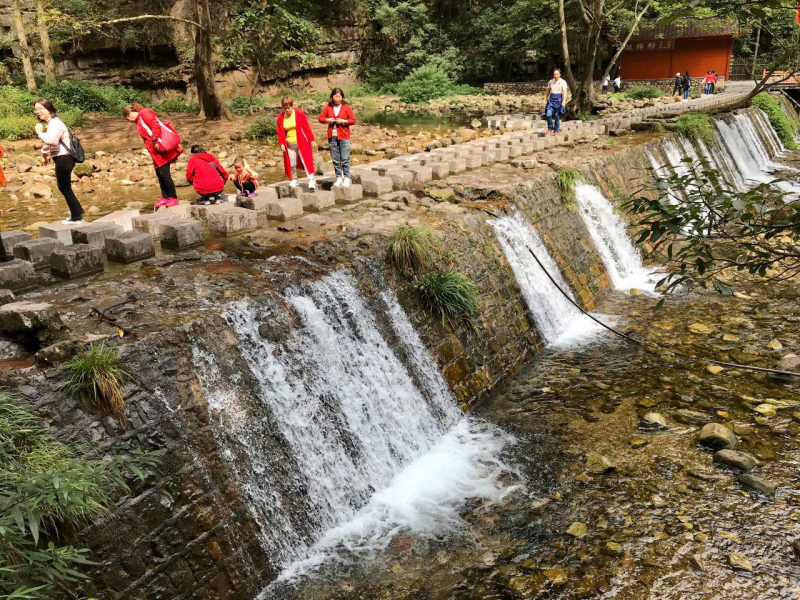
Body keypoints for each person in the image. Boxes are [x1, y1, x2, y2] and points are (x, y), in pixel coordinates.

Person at [123, 102, 183, 208]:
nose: (128, 119)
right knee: (159, 174)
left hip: (159, 147)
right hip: (155, 151)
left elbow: (155, 125)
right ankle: (165, 197)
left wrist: (155, 140)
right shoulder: (138, 120)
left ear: (133, 111)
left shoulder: (144, 113)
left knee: (165, 174)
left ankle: (173, 198)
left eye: (128, 116)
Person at [34, 99, 84, 225]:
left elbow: (52, 140)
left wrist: (39, 132)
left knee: (64, 188)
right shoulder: (52, 123)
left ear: (49, 109)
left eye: (41, 109)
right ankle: (77, 214)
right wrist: (44, 154)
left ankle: (77, 217)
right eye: (36, 109)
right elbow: (49, 143)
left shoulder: (55, 123)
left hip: (64, 158)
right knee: (65, 187)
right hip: (63, 158)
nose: (38, 112)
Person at [318, 88, 356, 188]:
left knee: (345, 158)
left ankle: (346, 178)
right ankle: (339, 178)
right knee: (335, 159)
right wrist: (327, 120)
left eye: (339, 96)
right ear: (332, 97)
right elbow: (320, 118)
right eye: (335, 96)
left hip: (344, 136)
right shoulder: (328, 107)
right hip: (332, 136)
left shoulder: (346, 107)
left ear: (342, 97)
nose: (337, 98)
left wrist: (344, 121)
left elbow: (353, 120)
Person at [276, 97, 316, 190]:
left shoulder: (299, 113)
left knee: (305, 161)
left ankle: (311, 180)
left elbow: (306, 127)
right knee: (292, 163)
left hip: (301, 142)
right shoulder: (281, 117)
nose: (287, 110)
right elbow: (279, 131)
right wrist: (281, 143)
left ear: (292, 106)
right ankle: (294, 179)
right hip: (289, 144)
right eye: (285, 108)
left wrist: (312, 140)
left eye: (289, 107)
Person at [544, 69, 569, 135]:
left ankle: (556, 130)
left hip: (558, 99)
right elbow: (548, 91)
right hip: (551, 99)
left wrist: (564, 100)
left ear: (559, 74)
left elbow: (564, 91)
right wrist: (545, 99)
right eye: (554, 74)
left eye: (557, 74)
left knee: (556, 116)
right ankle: (550, 127)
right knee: (548, 114)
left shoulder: (562, 82)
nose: (555, 76)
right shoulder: (551, 81)